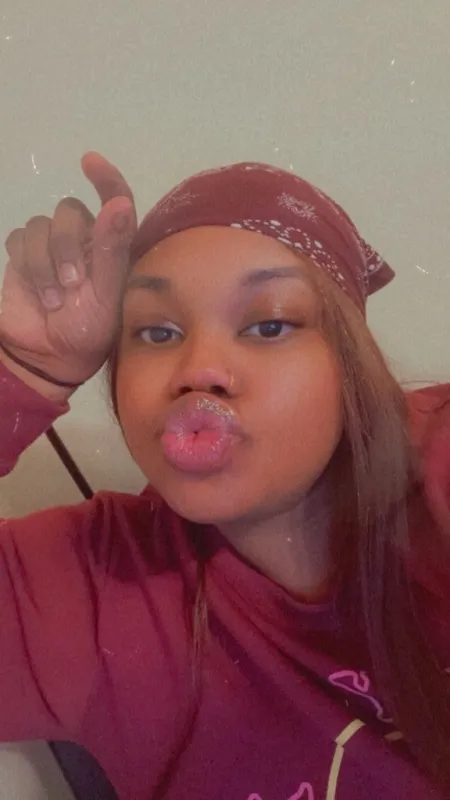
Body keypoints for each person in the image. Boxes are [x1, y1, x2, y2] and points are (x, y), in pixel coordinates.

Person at [0, 153, 448, 800]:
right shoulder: (100, 583)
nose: (199, 369)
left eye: (269, 324)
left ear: (351, 364)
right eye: (157, 332)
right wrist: (23, 371)